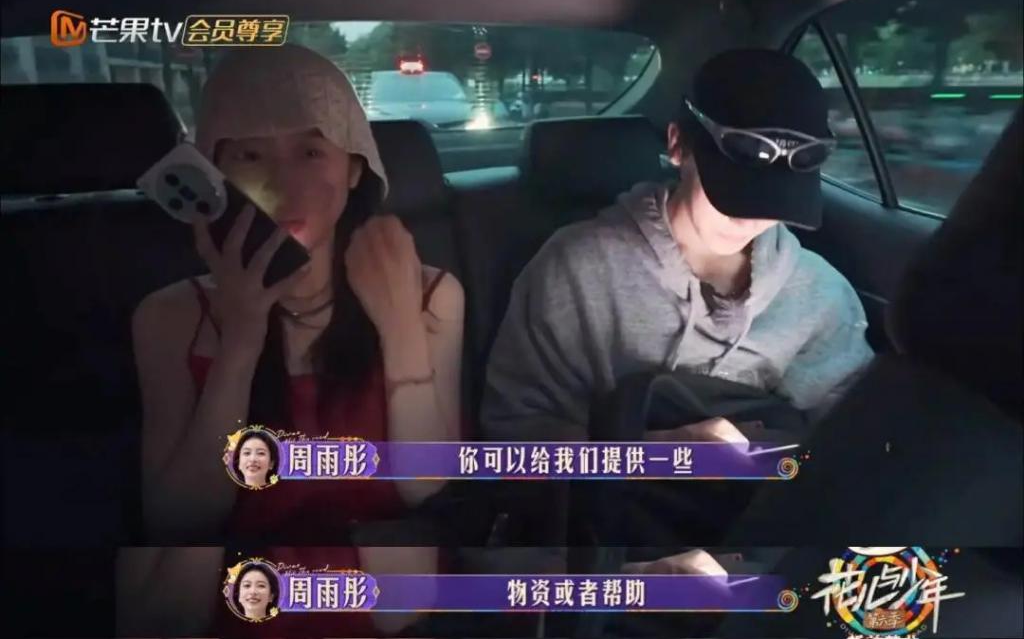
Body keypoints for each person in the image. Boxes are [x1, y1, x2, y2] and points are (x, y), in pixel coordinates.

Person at [133, 43, 464, 541]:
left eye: (310, 152)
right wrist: (241, 338)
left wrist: (401, 327)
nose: (283, 183)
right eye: (249, 155)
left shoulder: (431, 296)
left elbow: (428, 488)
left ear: (354, 168)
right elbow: (182, 522)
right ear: (215, 174)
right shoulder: (171, 316)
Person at [483, 49, 874, 443]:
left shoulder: (820, 294)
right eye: (732, 197)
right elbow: (515, 437)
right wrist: (656, 456)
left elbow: (853, 439)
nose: (752, 219)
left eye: (777, 203)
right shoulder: (575, 273)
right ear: (677, 145)